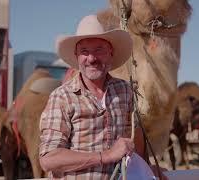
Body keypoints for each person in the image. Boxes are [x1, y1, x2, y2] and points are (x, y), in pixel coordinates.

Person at [39, 14, 167, 179]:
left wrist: (147, 168)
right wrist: (105, 156)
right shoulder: (62, 97)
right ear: (77, 56)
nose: (92, 58)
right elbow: (49, 159)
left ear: (111, 53)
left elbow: (136, 135)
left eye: (99, 49)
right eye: (84, 51)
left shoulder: (124, 91)